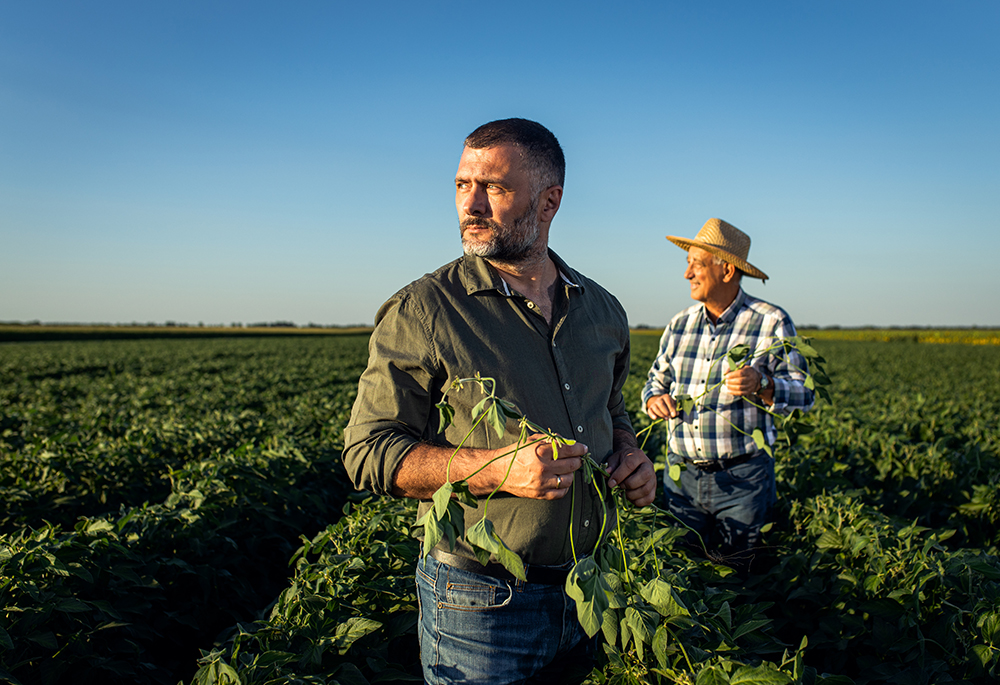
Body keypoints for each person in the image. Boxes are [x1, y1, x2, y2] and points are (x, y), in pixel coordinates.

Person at [342, 118, 655, 684]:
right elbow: (368, 452)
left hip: (591, 589)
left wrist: (631, 456)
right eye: (463, 185)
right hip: (480, 604)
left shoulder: (602, 311)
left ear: (549, 201)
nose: (472, 204)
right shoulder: (425, 310)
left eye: (495, 187)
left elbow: (612, 411)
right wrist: (496, 468)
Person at [641, 218, 814, 570]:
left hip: (743, 480)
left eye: (696, 264)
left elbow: (804, 394)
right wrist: (654, 400)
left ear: (727, 270)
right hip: (681, 478)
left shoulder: (770, 321)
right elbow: (654, 383)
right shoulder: (679, 324)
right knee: (683, 574)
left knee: (738, 577)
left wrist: (763, 384)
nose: (687, 274)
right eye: (688, 263)